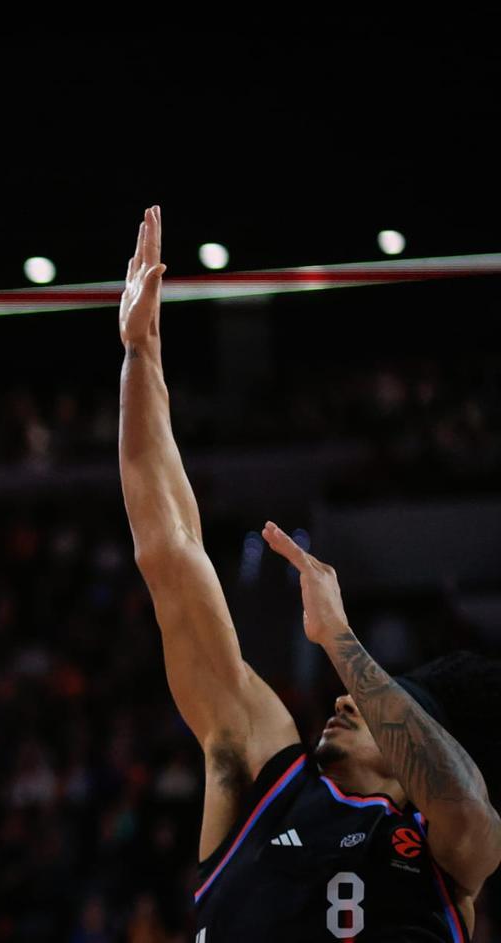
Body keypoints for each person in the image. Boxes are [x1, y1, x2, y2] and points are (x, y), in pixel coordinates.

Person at [117, 205, 501, 940]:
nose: (349, 702)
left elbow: (464, 806)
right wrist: (141, 357)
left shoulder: (447, 854)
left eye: (384, 700)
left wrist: (342, 642)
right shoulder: (262, 774)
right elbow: (170, 551)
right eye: (359, 693)